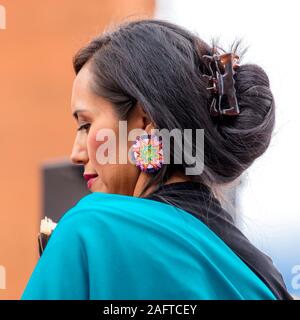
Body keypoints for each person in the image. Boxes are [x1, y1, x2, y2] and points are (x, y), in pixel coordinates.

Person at [21, 19, 292, 300]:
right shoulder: (266, 279)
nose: (76, 154)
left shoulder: (89, 231)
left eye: (85, 125)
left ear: (145, 122)